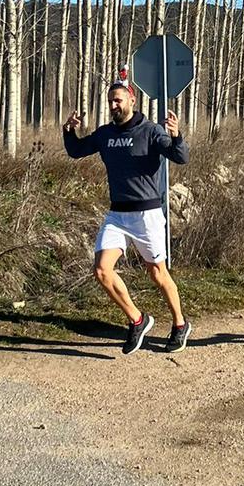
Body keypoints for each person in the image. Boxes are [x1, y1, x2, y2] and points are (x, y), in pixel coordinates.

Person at [63, 79, 191, 355]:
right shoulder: (106, 133)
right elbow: (76, 151)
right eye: (110, 101)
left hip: (147, 215)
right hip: (117, 215)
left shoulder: (151, 131)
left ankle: (180, 324)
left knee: (157, 273)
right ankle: (137, 318)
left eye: (118, 100)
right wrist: (68, 131)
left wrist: (177, 135)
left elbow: (180, 157)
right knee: (101, 270)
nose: (113, 105)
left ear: (132, 101)